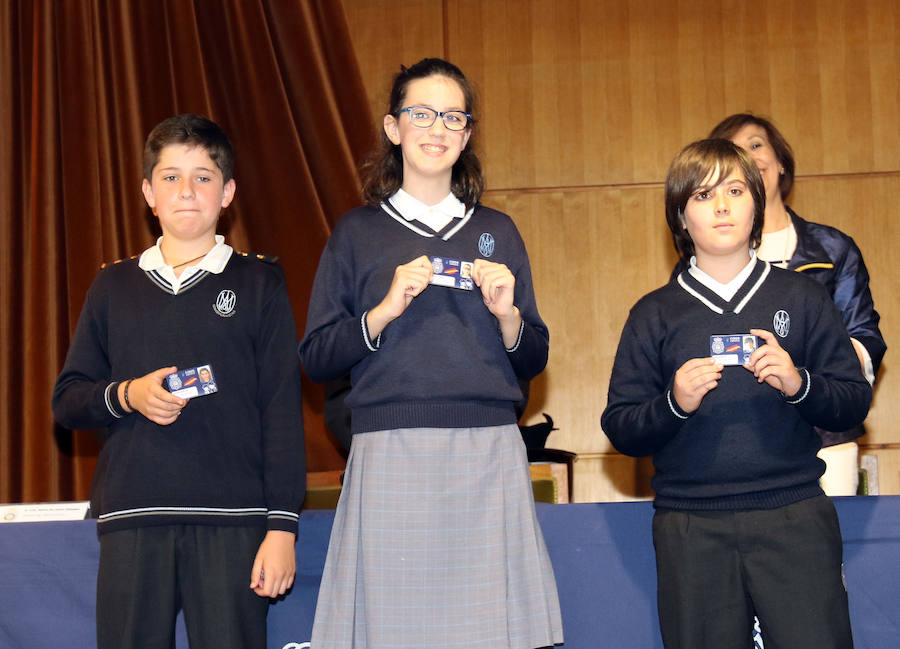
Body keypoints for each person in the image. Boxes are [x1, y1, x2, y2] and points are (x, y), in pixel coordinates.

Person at [298, 58, 562, 649]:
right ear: (394, 128)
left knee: (493, 634)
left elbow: (535, 354)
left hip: (489, 447)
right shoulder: (357, 234)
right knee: (393, 633)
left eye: (452, 116)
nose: (435, 127)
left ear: (466, 135)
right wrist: (384, 310)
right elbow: (316, 357)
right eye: (420, 113)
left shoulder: (498, 230)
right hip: (390, 448)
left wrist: (508, 315)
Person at [601, 138, 871, 649]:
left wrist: (799, 384)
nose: (721, 206)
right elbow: (621, 426)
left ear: (757, 204)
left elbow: (853, 400)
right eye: (702, 196)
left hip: (795, 517)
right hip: (691, 528)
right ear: (681, 217)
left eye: (735, 190)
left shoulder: (804, 298)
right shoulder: (654, 314)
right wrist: (673, 404)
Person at [52, 114, 305, 649]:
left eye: (203, 176)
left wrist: (281, 527)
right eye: (170, 177)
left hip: (233, 521)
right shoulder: (112, 285)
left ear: (228, 191)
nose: (186, 191)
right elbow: (68, 400)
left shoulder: (260, 283)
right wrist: (129, 395)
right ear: (148, 193)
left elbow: (281, 411)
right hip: (133, 516)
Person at [709, 113, 886, 495]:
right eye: (735, 151)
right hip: (738, 437)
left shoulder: (833, 248)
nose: (749, 156)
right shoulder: (705, 257)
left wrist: (807, 374)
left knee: (830, 546)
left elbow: (865, 336)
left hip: (827, 432)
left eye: (756, 145)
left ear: (781, 160)